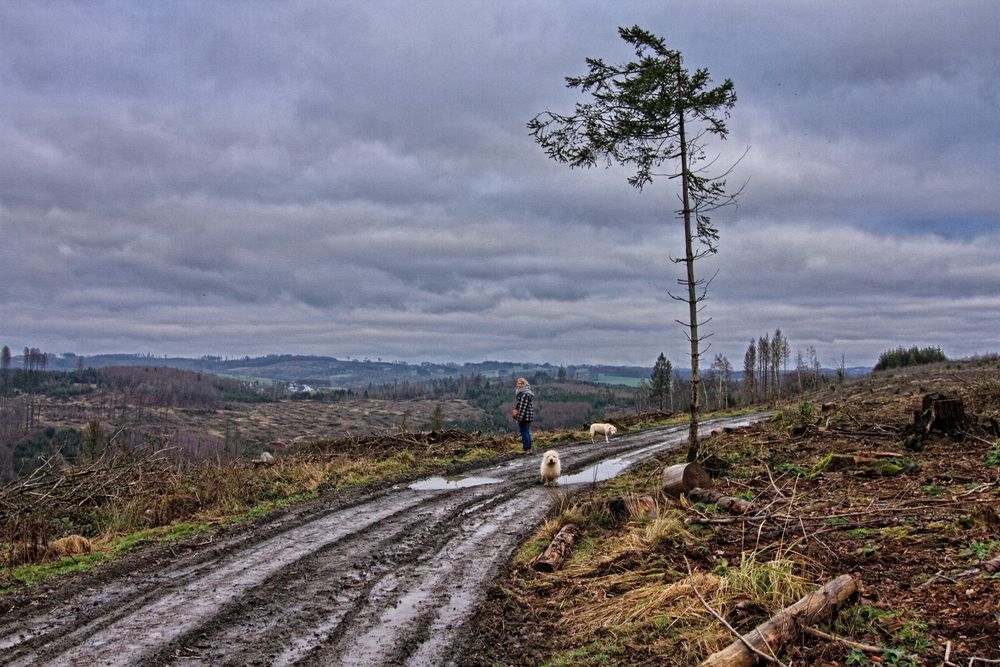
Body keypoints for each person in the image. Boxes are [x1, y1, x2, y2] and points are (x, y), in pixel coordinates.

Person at [512, 377, 535, 454]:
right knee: (526, 432)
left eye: (521, 383)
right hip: (527, 416)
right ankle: (528, 448)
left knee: (524, 432)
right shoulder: (523, 393)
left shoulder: (525, 394)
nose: (519, 385)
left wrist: (519, 418)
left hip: (524, 416)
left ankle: (527, 449)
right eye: (518, 383)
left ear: (524, 384)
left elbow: (523, 408)